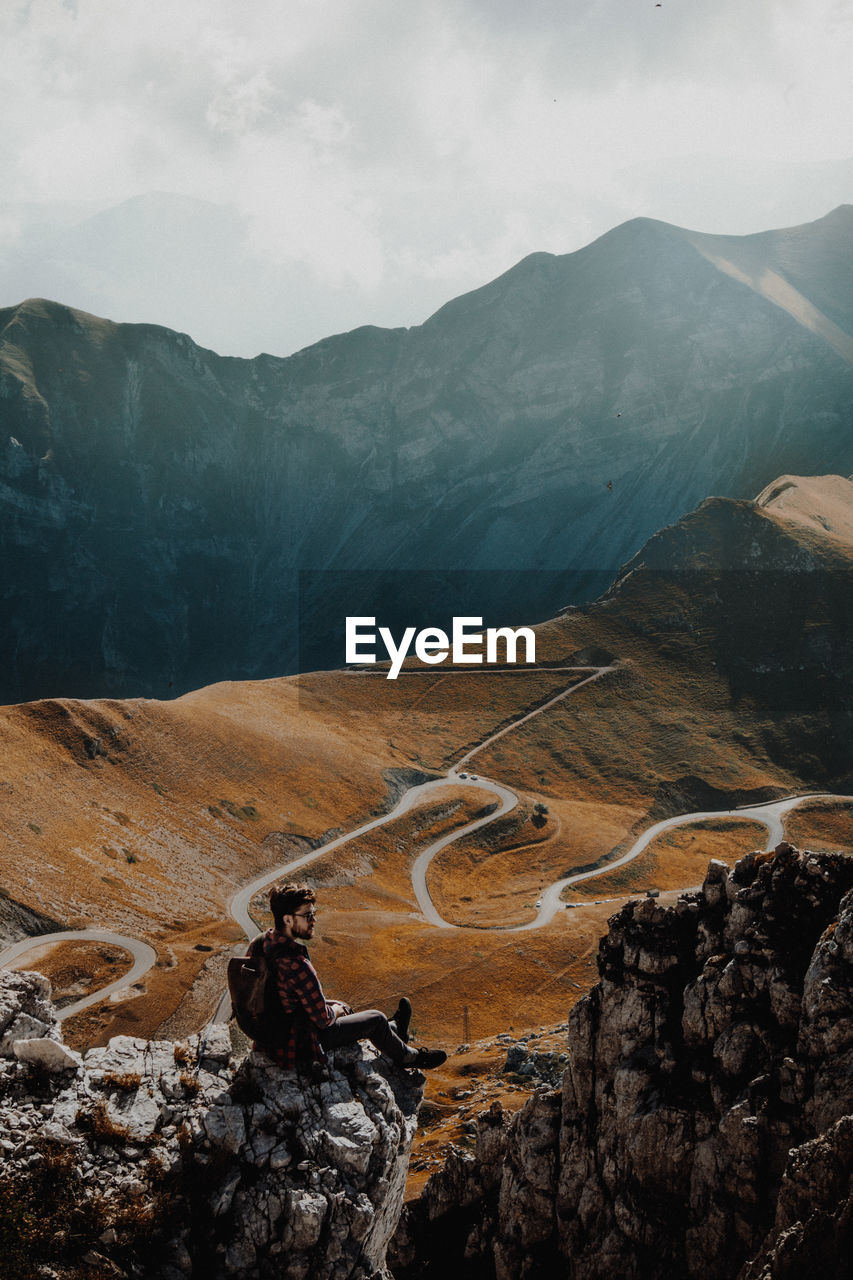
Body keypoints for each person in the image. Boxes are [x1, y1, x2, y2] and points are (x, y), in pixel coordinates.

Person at [253, 881, 447, 1071]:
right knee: (375, 1018)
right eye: (307, 915)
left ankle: (392, 1031)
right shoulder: (297, 964)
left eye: (313, 913)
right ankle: (408, 1056)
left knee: (342, 1007)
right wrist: (336, 1010)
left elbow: (281, 997)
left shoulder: (259, 944)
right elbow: (323, 1020)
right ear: (288, 920)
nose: (314, 920)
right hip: (300, 1044)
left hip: (271, 1038)